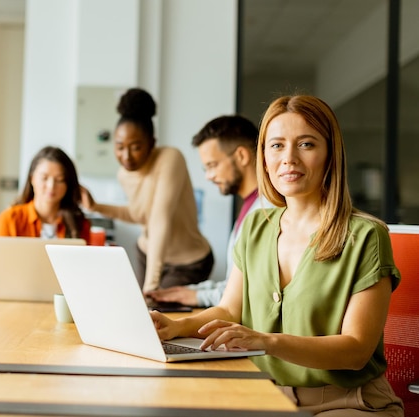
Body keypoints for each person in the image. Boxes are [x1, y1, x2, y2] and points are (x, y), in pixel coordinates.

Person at [150, 95, 404, 416]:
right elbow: (230, 308)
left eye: (307, 144)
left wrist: (267, 341)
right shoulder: (257, 225)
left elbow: (355, 349)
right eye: (277, 145)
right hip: (264, 396)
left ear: (330, 155)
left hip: (348, 401)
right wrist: (177, 327)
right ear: (264, 158)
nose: (289, 159)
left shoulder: (366, 236)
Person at [81, 88, 213, 292]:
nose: (126, 156)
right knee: (144, 313)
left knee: (157, 313)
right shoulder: (123, 175)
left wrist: (150, 286)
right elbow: (139, 214)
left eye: (135, 147)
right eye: (119, 147)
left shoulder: (170, 158)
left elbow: (160, 219)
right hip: (147, 252)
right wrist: (96, 206)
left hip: (188, 261)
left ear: (152, 143)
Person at [146, 115, 270, 307]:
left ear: (242, 156)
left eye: (212, 165)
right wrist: (191, 290)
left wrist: (196, 297)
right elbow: (234, 282)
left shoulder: (267, 211)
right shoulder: (252, 205)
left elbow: (253, 293)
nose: (209, 176)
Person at [0, 146, 91, 242]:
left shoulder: (80, 224)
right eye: (44, 178)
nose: (51, 186)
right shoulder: (11, 218)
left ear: (68, 183)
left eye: (59, 180)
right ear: (32, 179)